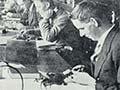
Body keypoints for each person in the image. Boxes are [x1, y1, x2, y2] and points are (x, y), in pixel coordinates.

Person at [70, 0, 120, 90]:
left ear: (94, 22)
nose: (81, 34)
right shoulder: (106, 38)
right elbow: (108, 71)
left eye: (82, 28)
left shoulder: (118, 44)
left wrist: (92, 83)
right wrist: (87, 70)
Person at [34, 0, 96, 72]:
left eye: (38, 7)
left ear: (47, 5)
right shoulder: (55, 14)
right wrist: (31, 31)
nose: (37, 10)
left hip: (71, 55)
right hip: (61, 51)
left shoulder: (62, 17)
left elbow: (48, 37)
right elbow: (50, 30)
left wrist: (45, 19)